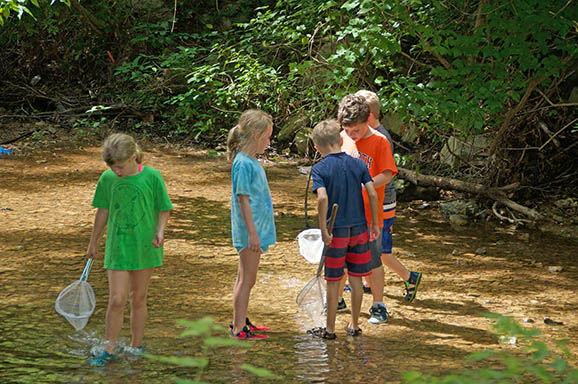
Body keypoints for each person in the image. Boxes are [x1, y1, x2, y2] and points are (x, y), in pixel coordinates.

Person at [86, 133, 173, 366]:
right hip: (118, 247)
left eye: (121, 166)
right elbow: (102, 211)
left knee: (138, 298)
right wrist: (93, 241)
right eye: (113, 167)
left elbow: (163, 207)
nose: (117, 172)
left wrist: (160, 231)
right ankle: (110, 346)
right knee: (116, 299)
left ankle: (136, 345)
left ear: (134, 157)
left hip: (145, 246)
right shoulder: (107, 179)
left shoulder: (153, 177)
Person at [306, 119, 380, 339]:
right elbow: (373, 193)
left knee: (333, 280)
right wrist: (374, 223)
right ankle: (354, 325)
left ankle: (329, 330)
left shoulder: (319, 168)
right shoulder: (358, 164)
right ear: (340, 139)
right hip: (359, 228)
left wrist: (323, 229)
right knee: (356, 279)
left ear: (318, 149)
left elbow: (322, 198)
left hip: (336, 230)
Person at [356, 89, 422, 304]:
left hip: (383, 199)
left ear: (369, 117)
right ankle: (367, 282)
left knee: (381, 250)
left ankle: (409, 277)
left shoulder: (381, 137)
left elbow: (383, 173)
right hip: (370, 196)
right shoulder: (362, 134)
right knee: (365, 242)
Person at [337, 93, 397, 324]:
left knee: (373, 262)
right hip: (344, 214)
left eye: (357, 131)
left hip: (370, 216)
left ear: (367, 121)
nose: (352, 135)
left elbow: (388, 173)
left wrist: (366, 184)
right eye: (348, 131)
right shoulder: (342, 137)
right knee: (340, 260)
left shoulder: (380, 141)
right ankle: (339, 299)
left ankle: (378, 305)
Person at [227, 109, 276, 340]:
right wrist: (253, 234)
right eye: (267, 137)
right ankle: (238, 329)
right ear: (256, 136)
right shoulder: (243, 164)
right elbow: (242, 199)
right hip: (249, 231)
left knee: (243, 277)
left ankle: (240, 320)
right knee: (248, 280)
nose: (269, 142)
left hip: (253, 230)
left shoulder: (249, 161)